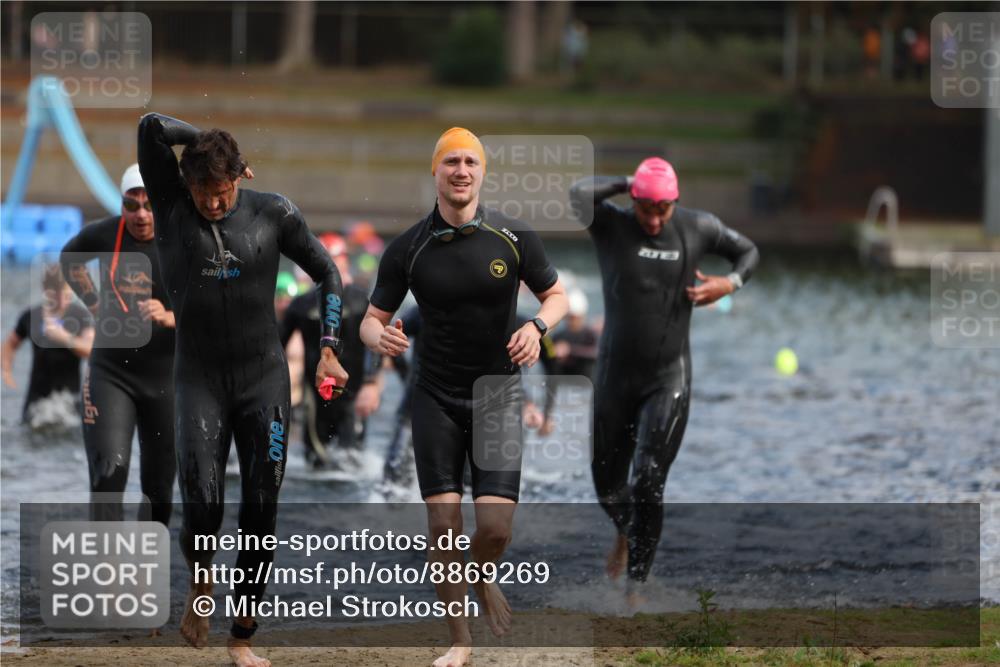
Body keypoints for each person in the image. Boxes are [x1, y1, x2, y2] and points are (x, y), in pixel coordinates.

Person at [138, 112, 348, 667]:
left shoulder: (272, 211)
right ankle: (200, 579)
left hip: (264, 381)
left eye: (223, 189)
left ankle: (242, 639)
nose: (213, 202)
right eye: (204, 189)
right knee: (203, 506)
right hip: (198, 380)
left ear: (240, 180)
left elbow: (328, 272)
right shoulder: (171, 206)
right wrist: (206, 138)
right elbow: (151, 126)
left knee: (261, 509)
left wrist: (329, 346)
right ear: (189, 185)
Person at [361, 127, 567, 667]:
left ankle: (481, 577)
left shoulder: (514, 236)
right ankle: (460, 640)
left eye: (470, 162)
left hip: (497, 395)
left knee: (495, 530)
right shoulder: (408, 247)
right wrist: (376, 337)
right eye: (451, 161)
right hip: (435, 396)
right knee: (443, 525)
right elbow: (370, 319)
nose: (461, 171)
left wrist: (539, 327)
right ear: (436, 171)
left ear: (482, 172)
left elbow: (557, 295)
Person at [569, 158, 759, 607]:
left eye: (664, 210)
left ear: (676, 202)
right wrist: (626, 182)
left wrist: (729, 283)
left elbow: (749, 252)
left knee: (649, 480)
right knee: (607, 486)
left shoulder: (699, 227)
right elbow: (577, 193)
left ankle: (637, 587)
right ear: (633, 200)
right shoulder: (611, 225)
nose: (654, 220)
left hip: (667, 378)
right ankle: (624, 531)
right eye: (646, 209)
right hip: (615, 377)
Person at [59, 164, 177, 525]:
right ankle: (107, 573)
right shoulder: (106, 234)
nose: (141, 214)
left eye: (149, 205)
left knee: (159, 491)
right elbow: (69, 259)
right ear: (122, 206)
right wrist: (94, 303)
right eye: (131, 205)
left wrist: (172, 316)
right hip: (111, 374)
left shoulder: (182, 237)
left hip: (167, 381)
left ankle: (143, 569)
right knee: (108, 477)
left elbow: (217, 302)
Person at [280, 232, 383, 469]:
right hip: (315, 394)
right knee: (315, 461)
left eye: (335, 258)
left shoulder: (360, 300)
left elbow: (377, 345)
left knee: (351, 462)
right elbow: (278, 345)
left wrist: (370, 383)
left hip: (353, 393)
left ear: (345, 260)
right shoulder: (302, 304)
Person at [2, 265, 94, 426]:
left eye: (67, 294)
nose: (62, 300)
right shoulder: (31, 316)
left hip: (68, 404)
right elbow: (10, 344)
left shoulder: (80, 316)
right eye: (57, 295)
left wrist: (66, 338)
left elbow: (92, 350)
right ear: (46, 290)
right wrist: (7, 370)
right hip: (36, 402)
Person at [539, 288, 599, 436]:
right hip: (564, 386)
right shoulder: (559, 336)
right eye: (569, 317)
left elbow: (596, 353)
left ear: (582, 316)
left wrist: (570, 350)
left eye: (575, 317)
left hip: (586, 385)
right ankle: (547, 419)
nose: (572, 321)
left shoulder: (590, 335)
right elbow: (549, 369)